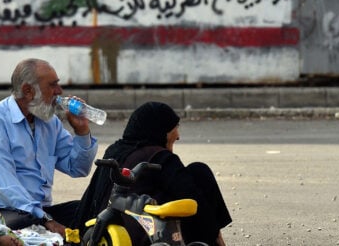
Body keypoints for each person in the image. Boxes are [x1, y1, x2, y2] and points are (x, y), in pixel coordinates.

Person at [0, 58, 99, 237]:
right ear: (28, 91)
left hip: (37, 211)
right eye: (52, 86)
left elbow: (78, 169)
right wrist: (45, 219)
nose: (59, 92)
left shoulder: (50, 122)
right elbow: (5, 185)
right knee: (28, 224)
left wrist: (81, 130)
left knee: (90, 213)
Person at [74, 102, 232, 246]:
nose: (178, 135)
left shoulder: (115, 151)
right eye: (175, 127)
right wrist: (214, 234)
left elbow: (91, 198)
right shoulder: (160, 157)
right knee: (199, 172)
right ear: (160, 130)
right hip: (149, 237)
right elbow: (195, 202)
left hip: (105, 232)